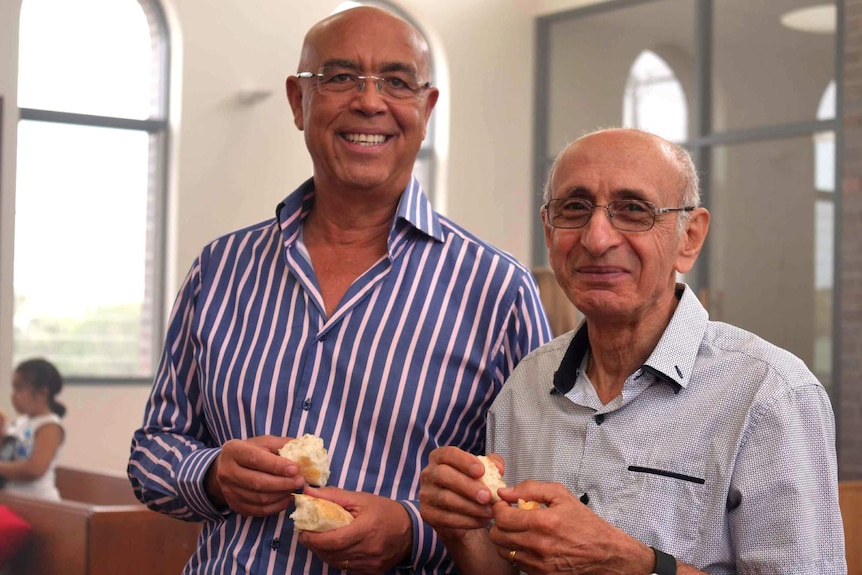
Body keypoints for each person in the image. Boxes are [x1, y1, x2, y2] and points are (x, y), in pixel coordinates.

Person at [127, 6, 551, 574]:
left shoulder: (498, 291)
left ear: (425, 111)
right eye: (340, 77)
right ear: (298, 101)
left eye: (397, 82)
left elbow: (534, 502)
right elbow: (154, 451)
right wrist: (213, 474)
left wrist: (411, 531)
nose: (370, 102)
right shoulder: (221, 268)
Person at [418, 128, 846, 575]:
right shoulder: (527, 384)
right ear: (549, 231)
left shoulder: (768, 395)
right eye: (575, 208)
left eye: (634, 210)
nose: (597, 239)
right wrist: (462, 530)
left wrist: (635, 565)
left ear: (690, 237)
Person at [0, 358, 66, 500]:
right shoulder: (20, 422)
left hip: (39, 504)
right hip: (14, 500)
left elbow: (35, 469)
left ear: (42, 393)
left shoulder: (49, 426)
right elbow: (7, 455)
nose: (13, 395)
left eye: (19, 389)